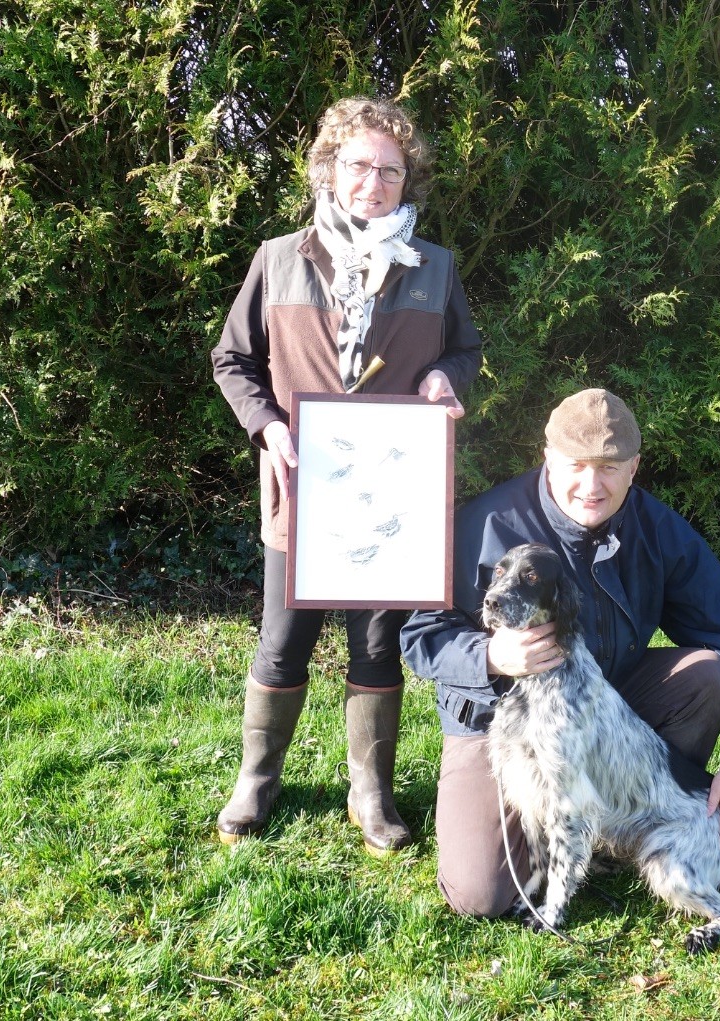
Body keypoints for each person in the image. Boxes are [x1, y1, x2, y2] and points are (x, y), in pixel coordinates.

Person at [210, 96, 482, 854]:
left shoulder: (435, 269)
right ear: (330, 168)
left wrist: (444, 379)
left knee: (377, 645)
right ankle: (256, 781)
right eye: (360, 165)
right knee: (281, 642)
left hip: (394, 499)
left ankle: (372, 794)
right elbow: (231, 360)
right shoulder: (278, 258)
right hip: (301, 492)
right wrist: (266, 425)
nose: (374, 181)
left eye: (391, 170)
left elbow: (465, 352)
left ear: (407, 181)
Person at [401, 388, 720, 915]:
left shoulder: (657, 529)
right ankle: (567, 830)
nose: (592, 486)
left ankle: (633, 822)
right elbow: (420, 636)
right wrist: (492, 657)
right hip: (492, 718)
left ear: (635, 467)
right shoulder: (486, 525)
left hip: (606, 701)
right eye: (576, 465)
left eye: (611, 467)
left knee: (709, 675)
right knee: (479, 895)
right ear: (547, 458)